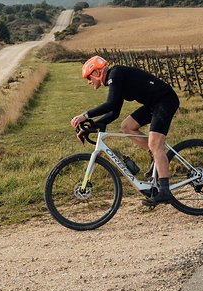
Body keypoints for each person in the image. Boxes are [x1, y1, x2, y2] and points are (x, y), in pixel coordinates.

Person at [70, 55, 180, 206]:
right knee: (127, 126)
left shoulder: (116, 74)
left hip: (164, 100)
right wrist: (93, 125)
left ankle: (165, 192)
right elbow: (114, 111)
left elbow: (110, 104)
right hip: (154, 103)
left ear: (96, 73)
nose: (89, 82)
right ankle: (155, 156)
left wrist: (85, 115)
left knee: (156, 145)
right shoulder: (115, 78)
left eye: (88, 78)